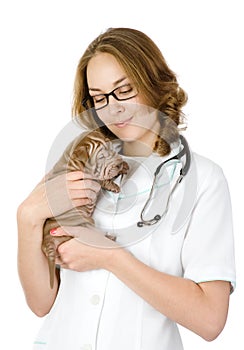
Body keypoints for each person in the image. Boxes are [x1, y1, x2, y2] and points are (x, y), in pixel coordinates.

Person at [17, 27, 236, 350]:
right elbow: (41, 303)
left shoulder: (202, 179)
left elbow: (209, 319)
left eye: (125, 90)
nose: (113, 107)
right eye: (99, 97)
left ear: (152, 83)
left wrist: (111, 257)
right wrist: (26, 218)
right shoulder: (77, 168)